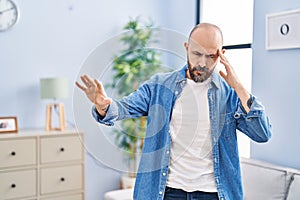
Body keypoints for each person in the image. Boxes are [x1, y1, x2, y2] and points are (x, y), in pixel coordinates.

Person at [76, 23, 272, 200]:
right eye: (196, 53)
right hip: (168, 192)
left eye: (210, 56)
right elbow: (123, 107)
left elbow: (262, 133)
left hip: (213, 193)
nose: (202, 63)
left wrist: (238, 85)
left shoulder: (230, 95)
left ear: (221, 55)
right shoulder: (160, 85)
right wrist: (104, 105)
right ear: (186, 48)